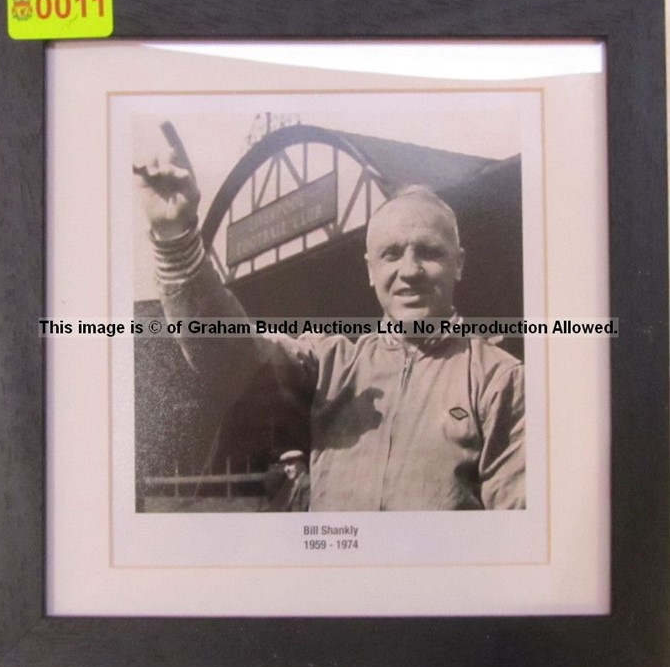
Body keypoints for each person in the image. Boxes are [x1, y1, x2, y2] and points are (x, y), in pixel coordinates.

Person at [134, 122, 525, 512]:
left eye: (429, 252)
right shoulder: (331, 367)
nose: (409, 270)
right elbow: (232, 357)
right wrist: (177, 242)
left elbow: (514, 535)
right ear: (370, 271)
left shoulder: (499, 381)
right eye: (391, 254)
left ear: (458, 264)